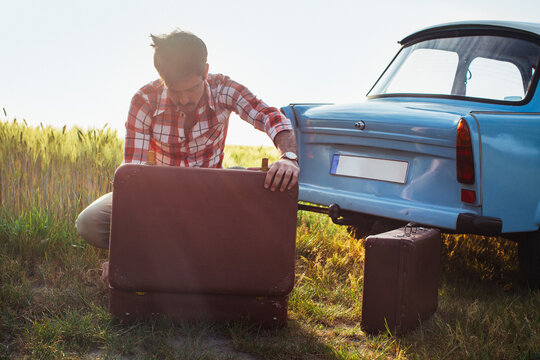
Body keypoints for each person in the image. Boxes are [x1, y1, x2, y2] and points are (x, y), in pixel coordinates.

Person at [75, 30, 300, 283]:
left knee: (243, 183)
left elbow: (269, 116)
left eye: (191, 89)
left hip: (212, 194)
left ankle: (212, 256)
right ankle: (164, 251)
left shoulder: (223, 88)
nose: (183, 99)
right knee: (89, 222)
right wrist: (122, 255)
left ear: (205, 71)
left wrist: (288, 157)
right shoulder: (143, 100)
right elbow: (135, 180)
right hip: (156, 199)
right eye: (173, 90)